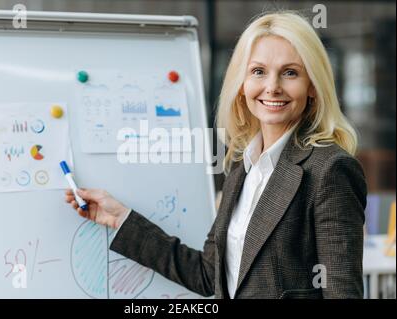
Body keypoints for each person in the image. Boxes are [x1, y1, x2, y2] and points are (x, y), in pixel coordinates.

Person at [65, 11, 367, 299]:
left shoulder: (330, 169)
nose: (272, 87)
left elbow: (342, 292)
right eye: (258, 72)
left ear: (312, 85)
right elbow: (208, 273)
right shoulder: (242, 164)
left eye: (290, 73)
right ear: (242, 84)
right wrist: (121, 218)